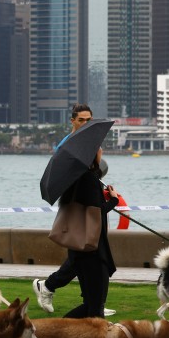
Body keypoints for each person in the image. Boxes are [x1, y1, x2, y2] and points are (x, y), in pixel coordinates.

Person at [33, 103, 117, 317]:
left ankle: (92, 301)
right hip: (88, 234)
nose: (85, 123)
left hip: (85, 226)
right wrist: (112, 201)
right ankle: (57, 289)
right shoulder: (70, 150)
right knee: (84, 265)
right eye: (81, 120)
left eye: (89, 120)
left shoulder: (85, 159)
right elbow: (94, 209)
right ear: (72, 120)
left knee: (83, 273)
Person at [59, 148, 119, 319]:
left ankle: (59, 329)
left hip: (79, 251)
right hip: (93, 251)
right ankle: (60, 329)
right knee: (96, 307)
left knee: (90, 305)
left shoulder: (75, 178)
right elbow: (97, 212)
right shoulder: (88, 179)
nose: (102, 152)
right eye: (99, 150)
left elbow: (87, 208)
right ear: (92, 155)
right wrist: (113, 200)